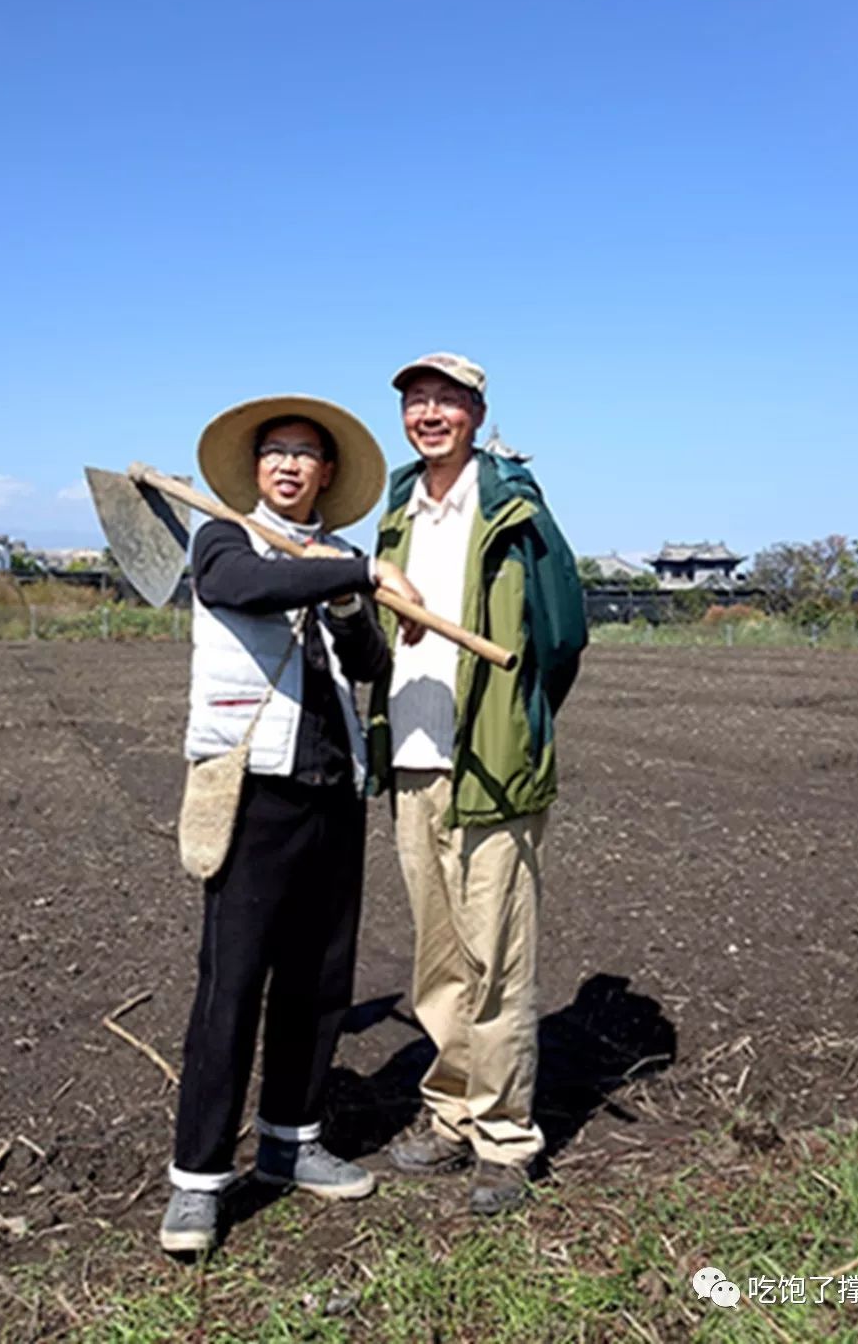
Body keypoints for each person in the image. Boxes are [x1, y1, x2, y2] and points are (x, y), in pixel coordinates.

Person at [160, 394, 422, 1255]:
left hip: (332, 789)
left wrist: (354, 604)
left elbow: (373, 665)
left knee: (319, 982)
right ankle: (198, 1180)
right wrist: (352, 577)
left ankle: (291, 1143)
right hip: (254, 788)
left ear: (328, 474)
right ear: (256, 467)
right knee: (231, 985)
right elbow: (240, 589)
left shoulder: (341, 557)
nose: (289, 464)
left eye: (307, 454)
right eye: (276, 451)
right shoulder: (225, 538)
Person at [368, 352, 587, 1215]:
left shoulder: (516, 508)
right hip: (413, 756)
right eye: (416, 401)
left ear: (475, 410)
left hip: (491, 764)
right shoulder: (395, 508)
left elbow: (563, 634)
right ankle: (449, 1111)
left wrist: (517, 718)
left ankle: (504, 1137)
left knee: (496, 957)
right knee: (439, 956)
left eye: (445, 401)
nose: (429, 414)